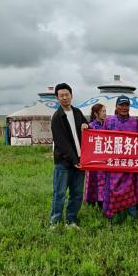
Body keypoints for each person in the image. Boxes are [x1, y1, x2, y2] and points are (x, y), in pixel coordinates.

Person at [103, 95, 138, 220]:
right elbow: (102, 139)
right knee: (112, 190)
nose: (124, 108)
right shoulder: (109, 121)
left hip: (129, 164)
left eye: (126, 105)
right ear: (116, 107)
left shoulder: (134, 122)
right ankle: (113, 219)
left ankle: (131, 219)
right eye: (121, 105)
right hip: (114, 164)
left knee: (130, 190)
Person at [49, 82, 88, 228]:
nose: (65, 98)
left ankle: (71, 220)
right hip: (64, 162)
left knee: (77, 193)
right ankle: (55, 222)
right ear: (57, 98)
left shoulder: (77, 112)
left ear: (71, 95)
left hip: (80, 160)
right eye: (61, 96)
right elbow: (61, 142)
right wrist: (73, 160)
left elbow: (87, 127)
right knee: (59, 193)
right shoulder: (57, 117)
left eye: (67, 95)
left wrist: (86, 125)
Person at [84, 103, 107, 209]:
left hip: (105, 160)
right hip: (93, 160)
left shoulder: (107, 125)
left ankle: (102, 203)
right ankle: (91, 206)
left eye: (105, 111)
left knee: (104, 183)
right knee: (92, 182)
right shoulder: (90, 126)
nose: (105, 114)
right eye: (103, 111)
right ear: (96, 113)